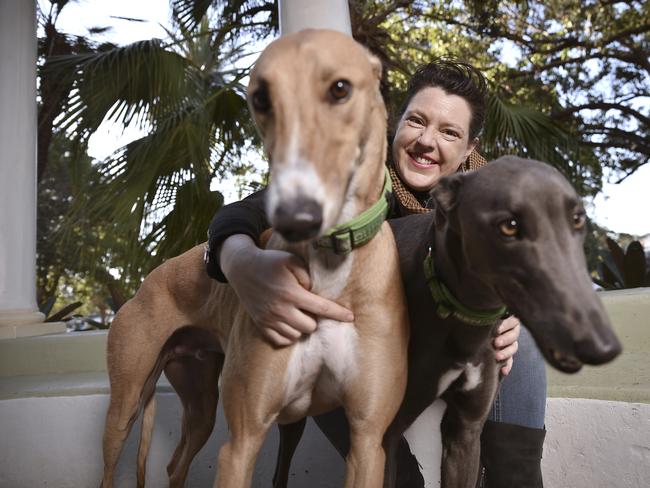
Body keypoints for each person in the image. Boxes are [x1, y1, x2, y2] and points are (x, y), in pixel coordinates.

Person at [204, 59, 547, 487]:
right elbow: (243, 213)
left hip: (449, 345)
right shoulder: (353, 172)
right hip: (362, 342)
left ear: (469, 147)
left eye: (449, 132)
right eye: (416, 121)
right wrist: (239, 262)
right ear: (397, 122)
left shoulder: (489, 198)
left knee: (524, 336)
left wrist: (508, 310)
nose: (426, 141)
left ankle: (515, 479)